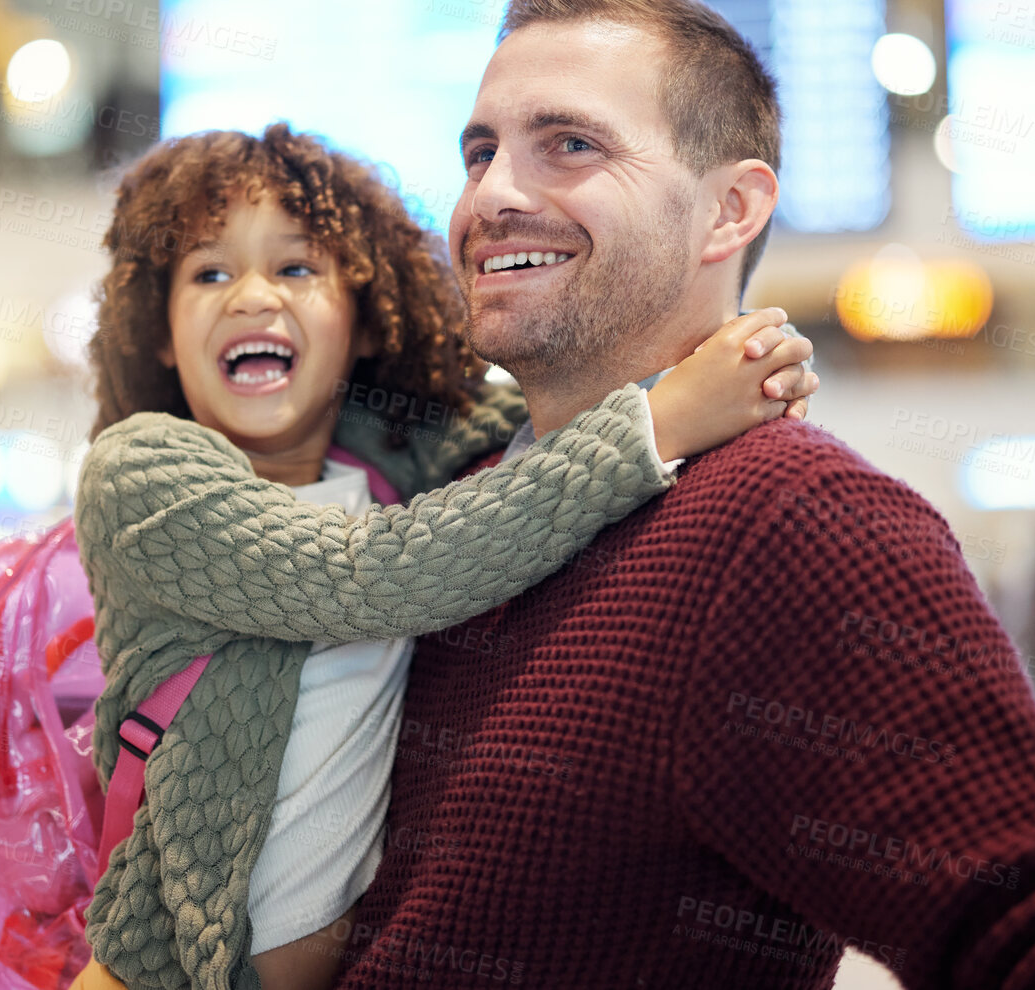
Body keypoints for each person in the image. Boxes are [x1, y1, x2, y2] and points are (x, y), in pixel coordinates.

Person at [70, 125, 818, 990]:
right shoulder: (144, 474)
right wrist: (662, 423)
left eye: (297, 268)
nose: (250, 297)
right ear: (158, 331)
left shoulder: (400, 454)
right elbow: (373, 574)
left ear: (360, 315)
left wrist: (741, 375)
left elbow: (553, 425)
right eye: (207, 273)